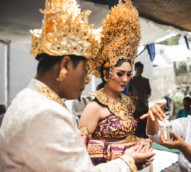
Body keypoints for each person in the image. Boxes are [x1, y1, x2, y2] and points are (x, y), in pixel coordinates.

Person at [0, 0, 155, 171]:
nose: (88, 80)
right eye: (85, 69)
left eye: (129, 74)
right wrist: (128, 162)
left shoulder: (28, 98)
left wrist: (124, 149)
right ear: (66, 65)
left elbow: (75, 150)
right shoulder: (46, 112)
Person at [79, 0, 153, 166]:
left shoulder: (126, 103)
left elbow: (127, 137)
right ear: (106, 74)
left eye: (129, 74)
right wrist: (120, 153)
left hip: (129, 165)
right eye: (120, 74)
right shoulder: (94, 107)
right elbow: (80, 147)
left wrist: (141, 142)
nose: (125, 80)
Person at [129, 61, 151, 138]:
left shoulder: (146, 80)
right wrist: (135, 97)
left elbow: (149, 92)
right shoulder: (131, 80)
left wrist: (146, 96)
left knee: (144, 124)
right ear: (135, 69)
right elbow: (128, 94)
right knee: (136, 125)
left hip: (144, 105)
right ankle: (135, 140)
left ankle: (145, 140)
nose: (140, 70)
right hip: (135, 106)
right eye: (138, 68)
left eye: (141, 68)